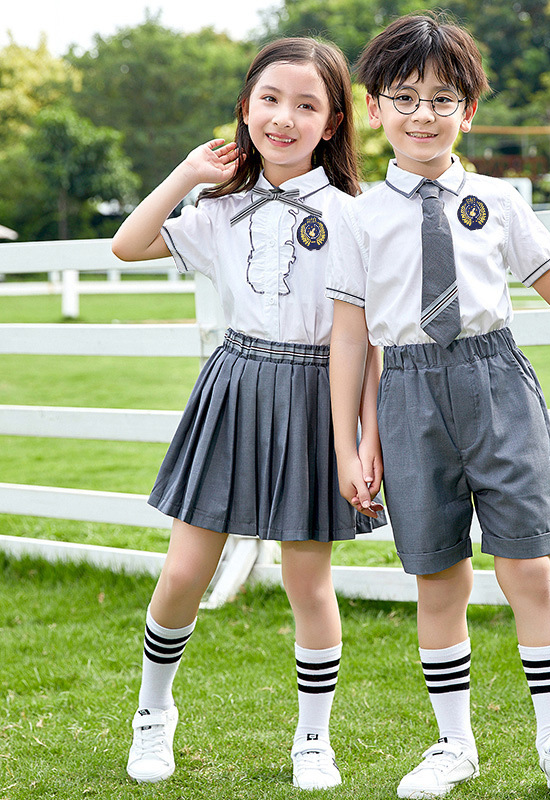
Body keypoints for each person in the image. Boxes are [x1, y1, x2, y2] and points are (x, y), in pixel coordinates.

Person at [327, 12, 550, 797]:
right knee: (438, 576)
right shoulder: (356, 216)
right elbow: (351, 340)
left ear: (467, 110)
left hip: (496, 384)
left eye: (443, 99)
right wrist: (351, 442)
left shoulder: (500, 199)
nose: (423, 115)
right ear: (375, 108)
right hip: (406, 392)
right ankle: (453, 746)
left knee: (529, 566)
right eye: (404, 97)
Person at [111, 37, 385, 791]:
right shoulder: (218, 207)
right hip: (234, 388)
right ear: (245, 108)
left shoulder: (355, 216)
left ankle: (312, 741)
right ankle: (152, 716)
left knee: (309, 584)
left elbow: (366, 344)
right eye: (270, 99)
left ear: (333, 123)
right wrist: (191, 174)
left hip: (316, 397)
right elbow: (128, 243)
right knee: (182, 573)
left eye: (306, 105)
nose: (284, 118)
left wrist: (361, 443)